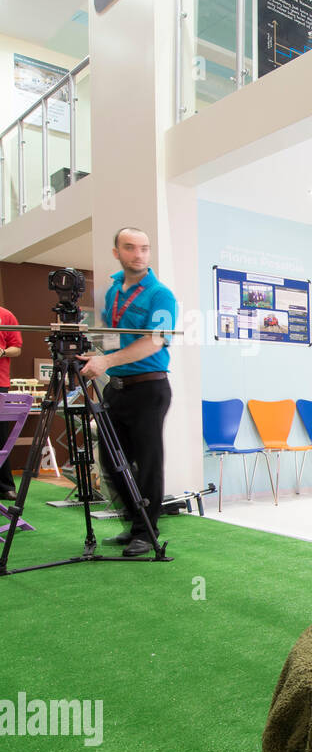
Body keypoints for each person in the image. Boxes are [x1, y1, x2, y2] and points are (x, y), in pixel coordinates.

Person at [77, 227, 177, 557]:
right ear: (116, 252)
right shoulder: (113, 293)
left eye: (144, 248)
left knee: (148, 462)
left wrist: (108, 361)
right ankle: (136, 523)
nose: (139, 254)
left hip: (149, 388)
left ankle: (146, 532)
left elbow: (156, 340)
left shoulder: (161, 295)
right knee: (111, 460)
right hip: (116, 390)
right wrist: (98, 356)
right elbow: (110, 337)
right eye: (130, 248)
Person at [0, 305, 21, 500]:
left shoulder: (6, 315)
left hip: (0, 384)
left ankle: (5, 486)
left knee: (1, 436)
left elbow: (16, 349)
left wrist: (2, 352)